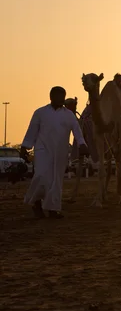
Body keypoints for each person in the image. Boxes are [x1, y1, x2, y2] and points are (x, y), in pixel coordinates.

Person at [21, 87, 88, 219]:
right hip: (42, 150)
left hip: (61, 152)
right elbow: (32, 130)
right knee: (41, 176)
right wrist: (24, 147)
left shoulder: (69, 115)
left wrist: (82, 144)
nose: (60, 98)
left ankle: (53, 209)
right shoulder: (40, 113)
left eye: (62, 96)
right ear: (50, 96)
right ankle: (36, 202)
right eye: (57, 95)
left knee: (56, 181)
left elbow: (77, 131)